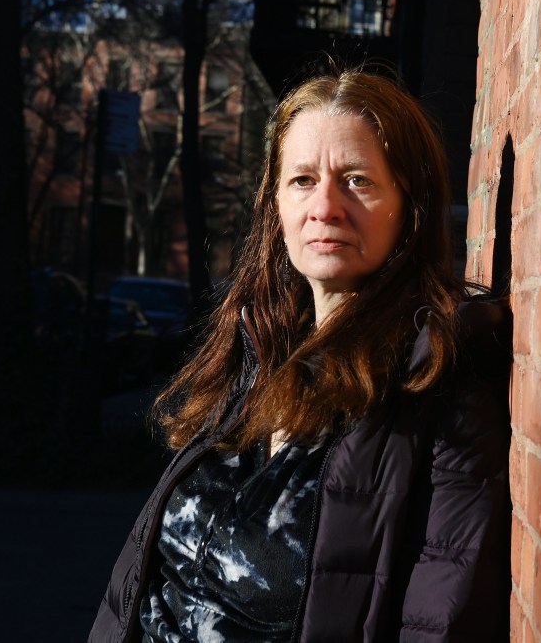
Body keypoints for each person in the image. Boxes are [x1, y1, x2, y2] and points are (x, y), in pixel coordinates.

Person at [90, 67, 512, 642]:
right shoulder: (255, 352)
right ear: (276, 208)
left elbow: (441, 620)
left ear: (409, 204)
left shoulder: (436, 375)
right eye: (302, 180)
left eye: (357, 180)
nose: (326, 207)